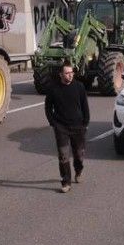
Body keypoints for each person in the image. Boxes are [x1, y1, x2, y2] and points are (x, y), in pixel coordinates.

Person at [44, 61, 90, 193]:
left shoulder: (79, 87)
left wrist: (85, 123)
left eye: (71, 73)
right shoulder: (53, 89)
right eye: (67, 73)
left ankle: (79, 171)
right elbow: (48, 107)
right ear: (60, 74)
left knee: (79, 155)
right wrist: (53, 123)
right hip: (61, 127)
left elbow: (85, 106)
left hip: (78, 127)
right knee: (63, 156)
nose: (70, 75)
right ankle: (66, 182)